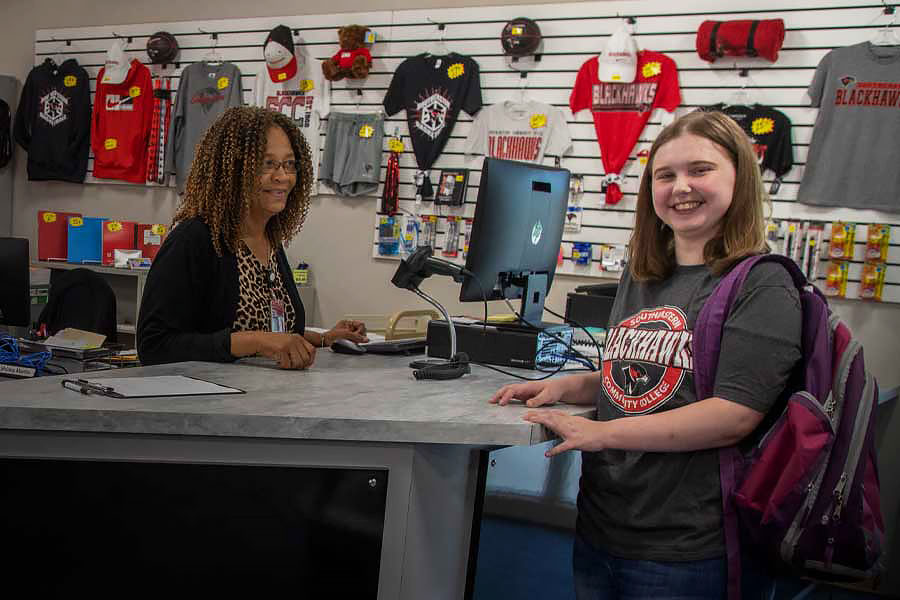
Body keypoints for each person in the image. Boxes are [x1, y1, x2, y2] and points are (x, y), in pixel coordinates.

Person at [490, 111, 802, 599]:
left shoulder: (761, 283)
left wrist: (602, 432)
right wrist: (575, 385)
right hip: (603, 524)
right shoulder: (643, 272)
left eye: (700, 170)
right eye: (665, 174)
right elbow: (643, 373)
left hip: (688, 545)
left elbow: (734, 414)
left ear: (739, 179)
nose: (681, 187)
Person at [138, 106, 367, 369]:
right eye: (267, 164)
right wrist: (255, 342)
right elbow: (154, 347)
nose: (282, 176)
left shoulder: (270, 241)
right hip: (208, 404)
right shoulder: (195, 239)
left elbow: (265, 328)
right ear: (233, 168)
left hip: (263, 401)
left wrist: (323, 338)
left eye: (289, 164)